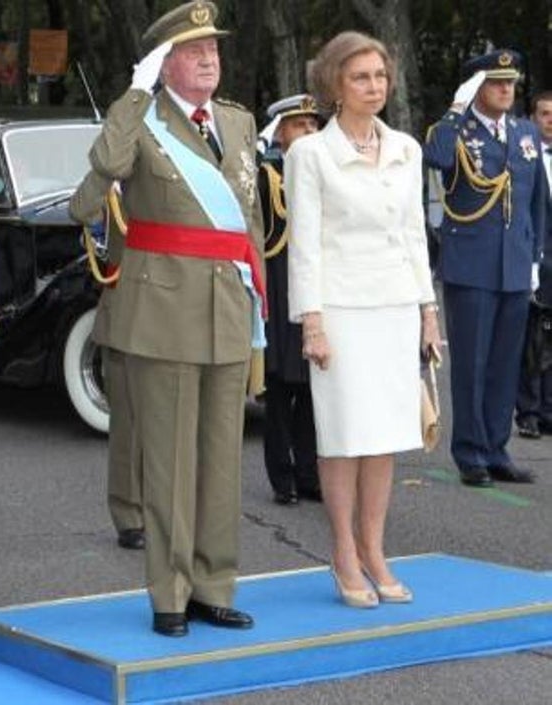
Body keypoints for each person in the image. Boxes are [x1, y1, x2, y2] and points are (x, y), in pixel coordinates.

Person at [84, 0, 264, 638]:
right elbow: (97, 183)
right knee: (168, 462)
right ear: (164, 65)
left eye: (214, 48)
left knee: (221, 459)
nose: (210, 58)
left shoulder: (239, 124)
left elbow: (250, 220)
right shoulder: (140, 120)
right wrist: (133, 96)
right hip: (161, 309)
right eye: (194, 51)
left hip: (226, 307)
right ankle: (169, 592)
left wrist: (256, 298)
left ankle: (214, 584)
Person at [286, 31, 441, 608]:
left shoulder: (406, 148)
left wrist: (428, 312)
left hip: (396, 306)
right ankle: (344, 553)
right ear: (334, 84)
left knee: (384, 439)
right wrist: (313, 322)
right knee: (344, 436)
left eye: (380, 75)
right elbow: (304, 246)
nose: (373, 86)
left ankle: (375, 550)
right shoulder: (310, 154)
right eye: (360, 77)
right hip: (341, 310)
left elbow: (413, 237)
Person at [423, 50, 546, 486]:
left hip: (514, 265)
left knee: (504, 363)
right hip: (471, 265)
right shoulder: (456, 132)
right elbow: (435, 158)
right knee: (472, 364)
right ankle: (470, 453)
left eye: (510, 82)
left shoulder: (525, 132)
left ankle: (496, 449)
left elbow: (537, 204)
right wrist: (456, 108)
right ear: (475, 88)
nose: (506, 89)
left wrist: (536, 258)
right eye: (495, 82)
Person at [69, 171, 145, 550]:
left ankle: (171, 509)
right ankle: (130, 514)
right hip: (128, 307)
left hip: (178, 310)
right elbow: (80, 209)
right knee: (130, 421)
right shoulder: (114, 182)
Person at [258, 95, 322, 506]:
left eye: (314, 126)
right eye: (299, 125)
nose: (309, 133)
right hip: (279, 287)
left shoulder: (322, 172)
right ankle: (283, 477)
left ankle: (311, 473)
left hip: (314, 287)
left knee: (315, 387)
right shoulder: (266, 175)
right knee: (280, 387)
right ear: (280, 131)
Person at [514, 90, 552, 439]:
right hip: (537, 257)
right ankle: (528, 411)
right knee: (532, 341)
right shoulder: (523, 155)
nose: (550, 120)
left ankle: (549, 409)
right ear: (532, 117)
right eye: (544, 113)